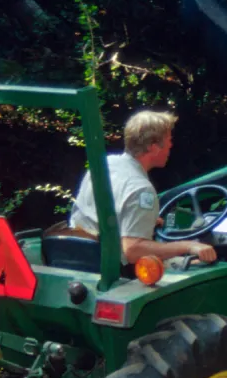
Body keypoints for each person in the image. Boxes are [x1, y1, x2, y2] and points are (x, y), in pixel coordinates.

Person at [68, 109, 217, 266]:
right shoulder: (141, 190)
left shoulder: (105, 164)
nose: (171, 145)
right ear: (153, 147)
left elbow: (104, 211)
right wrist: (189, 245)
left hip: (80, 250)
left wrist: (146, 220)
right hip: (113, 268)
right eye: (168, 140)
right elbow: (132, 250)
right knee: (196, 265)